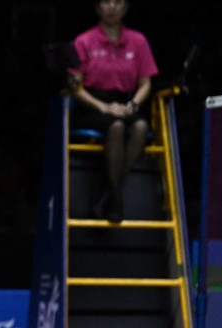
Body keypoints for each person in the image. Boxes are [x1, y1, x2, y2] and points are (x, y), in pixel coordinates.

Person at [68, 0, 158, 222]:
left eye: (117, 2)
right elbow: (75, 86)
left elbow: (146, 83)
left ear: (125, 8)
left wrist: (133, 106)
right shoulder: (84, 41)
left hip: (124, 103)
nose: (111, 7)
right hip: (92, 105)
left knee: (140, 126)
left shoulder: (138, 41)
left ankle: (107, 190)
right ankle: (116, 198)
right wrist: (104, 107)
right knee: (116, 127)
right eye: (106, 2)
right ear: (98, 7)